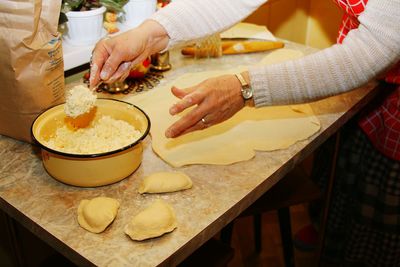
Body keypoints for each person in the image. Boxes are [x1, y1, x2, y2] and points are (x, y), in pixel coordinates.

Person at [90, 0, 400, 265]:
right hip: (372, 83)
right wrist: (149, 33)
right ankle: (328, 231)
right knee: (341, 184)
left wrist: (246, 89)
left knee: (376, 223)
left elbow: (377, 46)